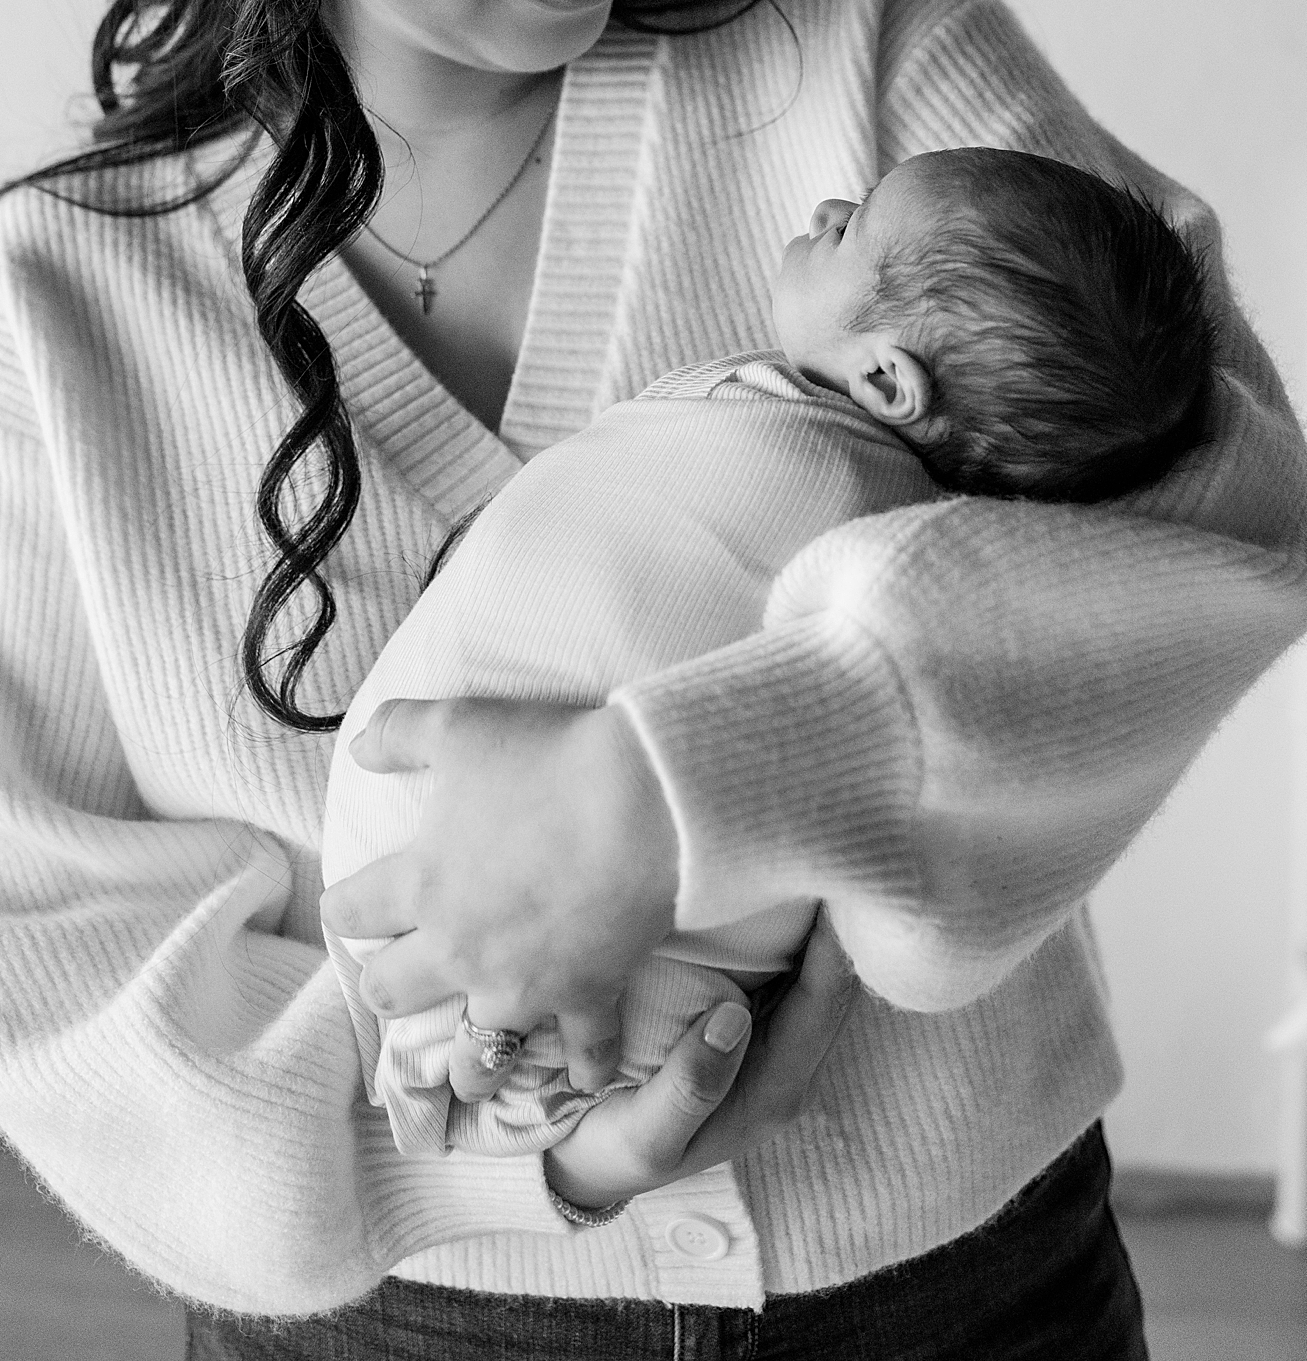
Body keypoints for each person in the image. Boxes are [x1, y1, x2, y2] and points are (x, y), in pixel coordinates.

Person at [0, 0, 1307, 1361]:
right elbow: (28, 910)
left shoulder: (863, 52)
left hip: (955, 1310)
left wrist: (696, 784)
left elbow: (1229, 517)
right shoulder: (87, 292)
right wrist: (463, 1142)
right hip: (394, 1355)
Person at [324, 146, 1220, 1162]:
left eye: (856, 223)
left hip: (626, 991)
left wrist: (647, 789)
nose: (830, 200)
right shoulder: (820, 438)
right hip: (450, 936)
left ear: (886, 378)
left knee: (546, 1054)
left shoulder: (852, 506)